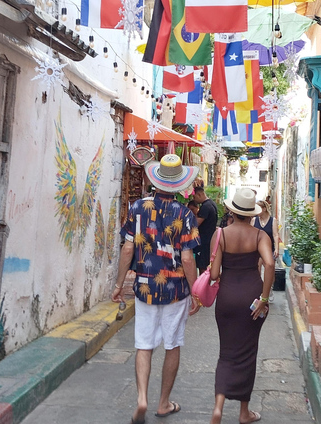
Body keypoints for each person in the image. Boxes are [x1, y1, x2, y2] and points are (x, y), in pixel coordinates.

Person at [112, 154, 201, 424]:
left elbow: (128, 247)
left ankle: (141, 399)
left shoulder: (137, 208)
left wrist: (119, 285)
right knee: (172, 344)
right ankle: (163, 403)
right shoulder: (185, 214)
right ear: (178, 184)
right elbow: (187, 258)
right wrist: (194, 290)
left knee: (144, 344)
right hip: (175, 291)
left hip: (144, 287)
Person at [209, 188, 275, 424]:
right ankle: (244, 413)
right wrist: (264, 299)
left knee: (226, 353)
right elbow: (269, 264)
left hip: (226, 297)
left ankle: (218, 407)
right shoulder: (260, 236)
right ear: (252, 215)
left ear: (232, 211)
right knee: (247, 354)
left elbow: (215, 273)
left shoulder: (220, 235)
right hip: (251, 299)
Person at [192, 180, 218, 273]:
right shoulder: (212, 204)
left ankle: (203, 286)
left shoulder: (205, 207)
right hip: (209, 240)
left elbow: (196, 223)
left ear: (199, 195)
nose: (194, 199)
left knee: (202, 266)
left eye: (194, 197)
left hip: (204, 241)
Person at [253, 199, 279, 264]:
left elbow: (275, 235)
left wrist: (277, 249)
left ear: (264, 209)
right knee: (256, 270)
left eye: (258, 208)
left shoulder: (273, 220)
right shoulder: (254, 220)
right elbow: (251, 235)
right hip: (257, 250)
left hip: (269, 249)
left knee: (270, 269)